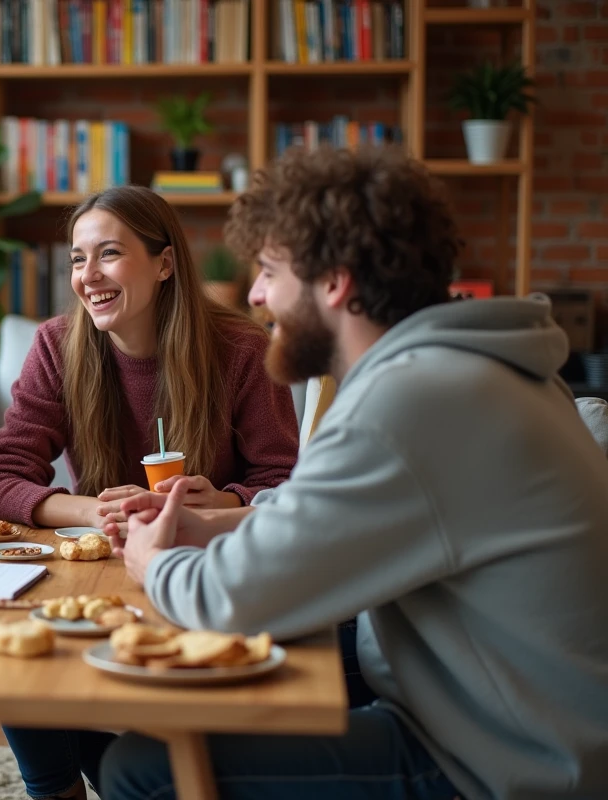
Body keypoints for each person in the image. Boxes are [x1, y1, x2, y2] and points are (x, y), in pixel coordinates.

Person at [101, 145, 608, 799]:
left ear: (335, 282)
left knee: (142, 770)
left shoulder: (412, 400)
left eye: (268, 270)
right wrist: (204, 525)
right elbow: (318, 521)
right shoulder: (468, 370)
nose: (255, 295)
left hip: (509, 765)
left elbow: (231, 599)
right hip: (510, 710)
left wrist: (153, 560)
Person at [0, 186, 300, 800]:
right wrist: (94, 508)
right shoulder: (56, 345)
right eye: (76, 259)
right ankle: (57, 788)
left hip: (196, 571)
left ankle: (126, 768)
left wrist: (219, 501)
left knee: (146, 763)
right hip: (95, 574)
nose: (87, 275)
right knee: (17, 643)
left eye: (109, 254)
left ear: (165, 264)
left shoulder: (243, 349)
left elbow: (284, 485)